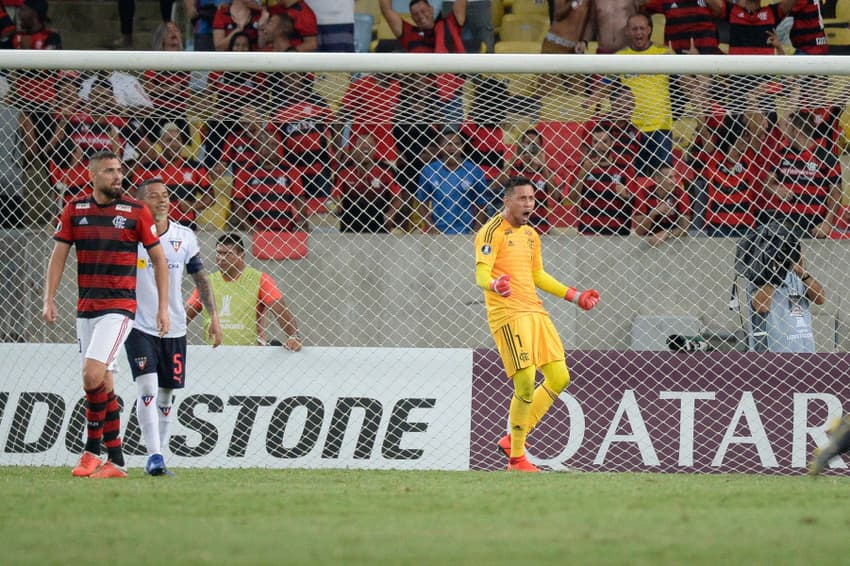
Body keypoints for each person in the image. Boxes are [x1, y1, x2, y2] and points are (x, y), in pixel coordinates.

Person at [42, 150, 170, 479]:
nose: (117, 176)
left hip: (119, 308)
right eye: (109, 171)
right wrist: (49, 298)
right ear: (93, 176)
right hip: (86, 309)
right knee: (103, 382)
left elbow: (158, 261)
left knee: (90, 374)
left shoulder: (136, 212)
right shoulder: (74, 210)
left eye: (119, 170)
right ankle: (117, 461)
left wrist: (161, 307)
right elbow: (58, 257)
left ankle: (90, 450)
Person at [475, 177, 600, 472]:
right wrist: (495, 284)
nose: (529, 203)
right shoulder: (491, 232)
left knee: (559, 377)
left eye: (531, 198)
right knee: (526, 382)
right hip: (508, 313)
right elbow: (481, 275)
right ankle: (517, 459)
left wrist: (576, 296)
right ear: (507, 201)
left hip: (535, 311)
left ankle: (513, 439)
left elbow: (538, 275)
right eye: (522, 199)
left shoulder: (532, 235)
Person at [125, 178, 222, 476]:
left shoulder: (185, 236)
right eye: (153, 196)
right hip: (139, 324)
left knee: (166, 395)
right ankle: (154, 455)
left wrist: (213, 317)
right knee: (148, 387)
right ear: (141, 202)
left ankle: (160, 457)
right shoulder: (129, 237)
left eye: (165, 195)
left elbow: (201, 278)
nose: (162, 200)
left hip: (175, 327)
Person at [186, 233, 303, 349]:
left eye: (228, 254)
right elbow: (186, 314)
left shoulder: (260, 279)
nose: (222, 258)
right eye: (219, 253)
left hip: (250, 353)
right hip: (214, 353)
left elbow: (280, 310)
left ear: (242, 256)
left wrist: (293, 337)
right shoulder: (206, 283)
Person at [745, 222, 824, 353]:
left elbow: (820, 299)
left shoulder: (797, 274)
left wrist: (803, 274)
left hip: (805, 350)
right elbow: (761, 306)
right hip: (773, 354)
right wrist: (774, 273)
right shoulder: (758, 275)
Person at [616, 14, 673, 175]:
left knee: (664, 179)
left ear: (649, 30)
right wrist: (590, 102)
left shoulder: (664, 54)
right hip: (632, 130)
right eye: (634, 29)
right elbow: (605, 85)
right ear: (627, 31)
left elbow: (685, 83)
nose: (638, 32)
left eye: (642, 28)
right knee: (635, 181)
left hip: (660, 128)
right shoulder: (619, 58)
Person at [417, 129, 490, 235]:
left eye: (457, 144)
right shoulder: (429, 170)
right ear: (440, 146)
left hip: (465, 231)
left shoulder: (475, 171)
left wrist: (475, 231)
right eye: (448, 144)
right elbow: (422, 202)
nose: (452, 148)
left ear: (462, 146)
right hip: (437, 233)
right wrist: (431, 227)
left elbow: (482, 205)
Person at [633, 165, 691, 245]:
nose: (674, 181)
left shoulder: (680, 194)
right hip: (648, 243)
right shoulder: (643, 194)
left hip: (675, 243)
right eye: (670, 177)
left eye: (674, 177)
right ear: (657, 179)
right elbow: (639, 231)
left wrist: (666, 234)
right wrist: (653, 213)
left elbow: (685, 229)